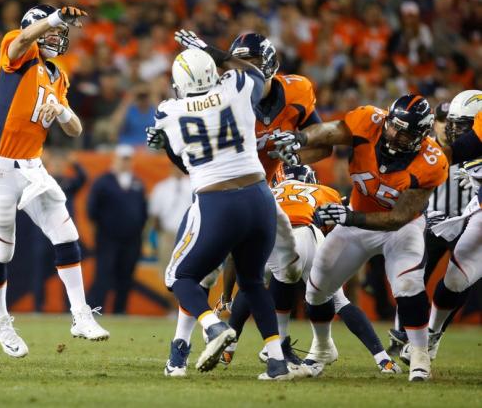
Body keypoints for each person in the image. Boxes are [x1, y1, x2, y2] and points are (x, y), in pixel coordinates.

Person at [160, 32, 332, 378]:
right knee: (253, 280)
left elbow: (185, 163)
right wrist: (215, 51)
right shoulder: (237, 88)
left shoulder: (169, 110)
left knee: (181, 275)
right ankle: (276, 361)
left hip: (217, 199)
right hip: (261, 197)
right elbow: (250, 74)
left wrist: (163, 140)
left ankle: (213, 328)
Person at [271, 94, 448, 381]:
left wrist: (346, 217)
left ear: (419, 135)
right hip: (356, 219)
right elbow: (331, 131)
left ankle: (419, 355)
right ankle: (323, 346)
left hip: (401, 229)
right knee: (316, 288)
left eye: (404, 132)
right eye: (394, 126)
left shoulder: (431, 161)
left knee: (407, 283)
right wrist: (301, 137)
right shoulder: (369, 121)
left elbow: (397, 218)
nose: (394, 134)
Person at [0, 4, 109, 359]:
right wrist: (52, 20)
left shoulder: (58, 75)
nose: (57, 36)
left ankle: (80, 314)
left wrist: (63, 110)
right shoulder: (19, 51)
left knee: (67, 234)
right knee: (2, 250)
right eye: (52, 30)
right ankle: (0, 320)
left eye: (60, 32)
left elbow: (75, 128)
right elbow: (23, 40)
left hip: (33, 167)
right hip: (0, 167)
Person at [220, 165, 402, 377]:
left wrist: (225, 294)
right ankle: (383, 359)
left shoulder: (266, 193)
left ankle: (238, 349)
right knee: (339, 301)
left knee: (252, 285)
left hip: (278, 238)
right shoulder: (324, 191)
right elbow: (343, 222)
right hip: (312, 235)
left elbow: (237, 246)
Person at [399, 90, 482, 363]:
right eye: (452, 123)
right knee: (455, 278)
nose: (455, 130)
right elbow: (456, 153)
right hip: (467, 215)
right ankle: (429, 336)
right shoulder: (460, 145)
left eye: (462, 125)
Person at [86, 145, 147, 314]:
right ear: (115, 159)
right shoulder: (103, 181)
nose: (125, 163)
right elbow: (92, 209)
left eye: (128, 159)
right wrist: (106, 226)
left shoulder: (137, 182)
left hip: (132, 238)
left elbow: (143, 210)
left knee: (126, 276)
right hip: (108, 237)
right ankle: (95, 310)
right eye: (123, 159)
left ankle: (119, 311)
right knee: (103, 274)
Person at [28, 149, 88, 312]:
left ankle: (70, 307)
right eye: (54, 164)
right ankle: (38, 308)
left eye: (60, 164)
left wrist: (74, 163)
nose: (58, 167)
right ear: (49, 166)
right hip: (44, 235)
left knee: (68, 272)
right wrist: (39, 163)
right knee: (40, 273)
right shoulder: (41, 181)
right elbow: (26, 178)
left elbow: (84, 178)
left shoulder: (68, 183)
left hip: (63, 234)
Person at [148, 165, 192, 280]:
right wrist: (159, 235)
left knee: (187, 269)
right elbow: (155, 214)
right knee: (167, 269)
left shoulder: (192, 185)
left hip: (189, 234)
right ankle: (167, 295)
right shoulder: (161, 187)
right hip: (168, 234)